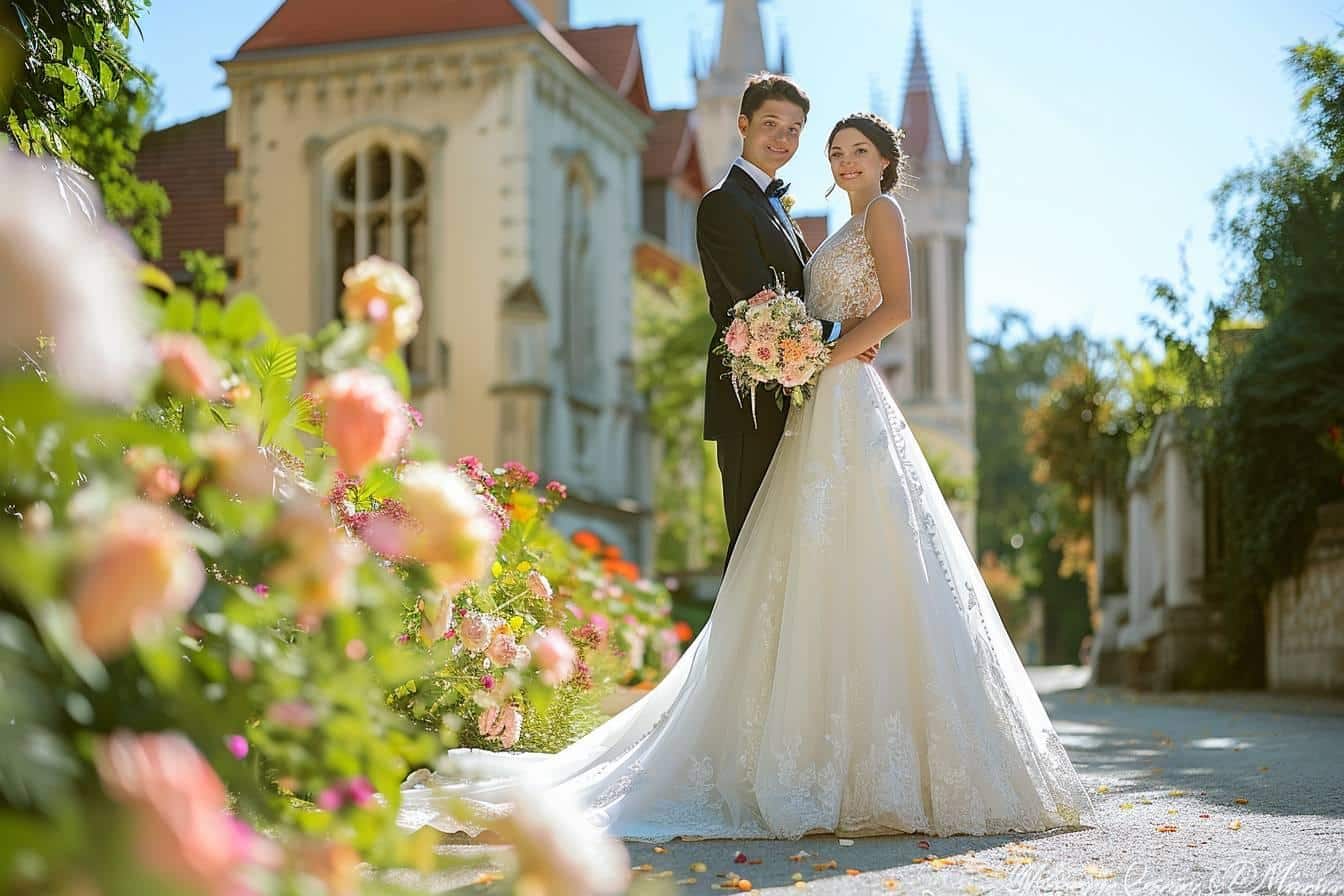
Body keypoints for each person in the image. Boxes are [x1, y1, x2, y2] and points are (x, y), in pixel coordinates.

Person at [396, 103, 1098, 843]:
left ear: (887, 162)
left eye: (858, 150)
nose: (845, 161)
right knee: (805, 564)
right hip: (811, 402)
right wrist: (814, 348)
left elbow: (899, 307)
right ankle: (800, 744)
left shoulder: (884, 214)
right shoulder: (806, 224)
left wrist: (824, 352)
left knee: (869, 558)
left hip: (845, 398)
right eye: (836, 151)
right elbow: (778, 302)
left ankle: (879, 759)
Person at [695, 73, 876, 565]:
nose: (782, 138)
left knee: (791, 551)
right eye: (771, 124)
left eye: (794, 129)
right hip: (748, 399)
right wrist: (842, 335)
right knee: (753, 552)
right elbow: (758, 306)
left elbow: (803, 297)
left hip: (792, 397)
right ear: (743, 124)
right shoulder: (723, 204)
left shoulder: (774, 206)